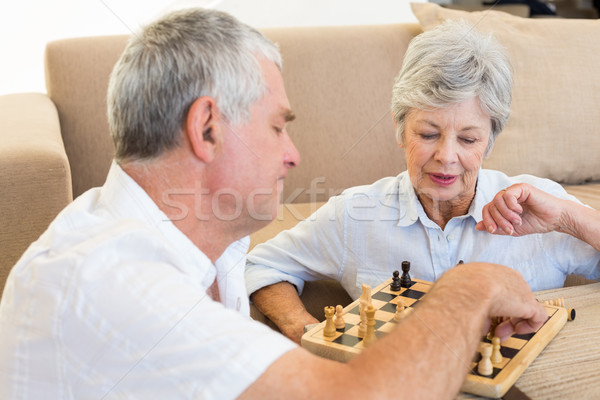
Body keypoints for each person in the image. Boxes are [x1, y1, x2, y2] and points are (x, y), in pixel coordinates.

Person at [0, 9, 547, 399]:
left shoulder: (214, 246)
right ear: (207, 128)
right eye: (277, 126)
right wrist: (470, 288)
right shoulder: (115, 280)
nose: (293, 155)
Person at [245, 20, 600, 344]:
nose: (446, 156)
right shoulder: (354, 216)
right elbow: (260, 265)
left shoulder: (543, 206)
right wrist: (304, 332)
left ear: (489, 141)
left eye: (468, 140)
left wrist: (570, 218)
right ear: (401, 131)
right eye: (428, 134)